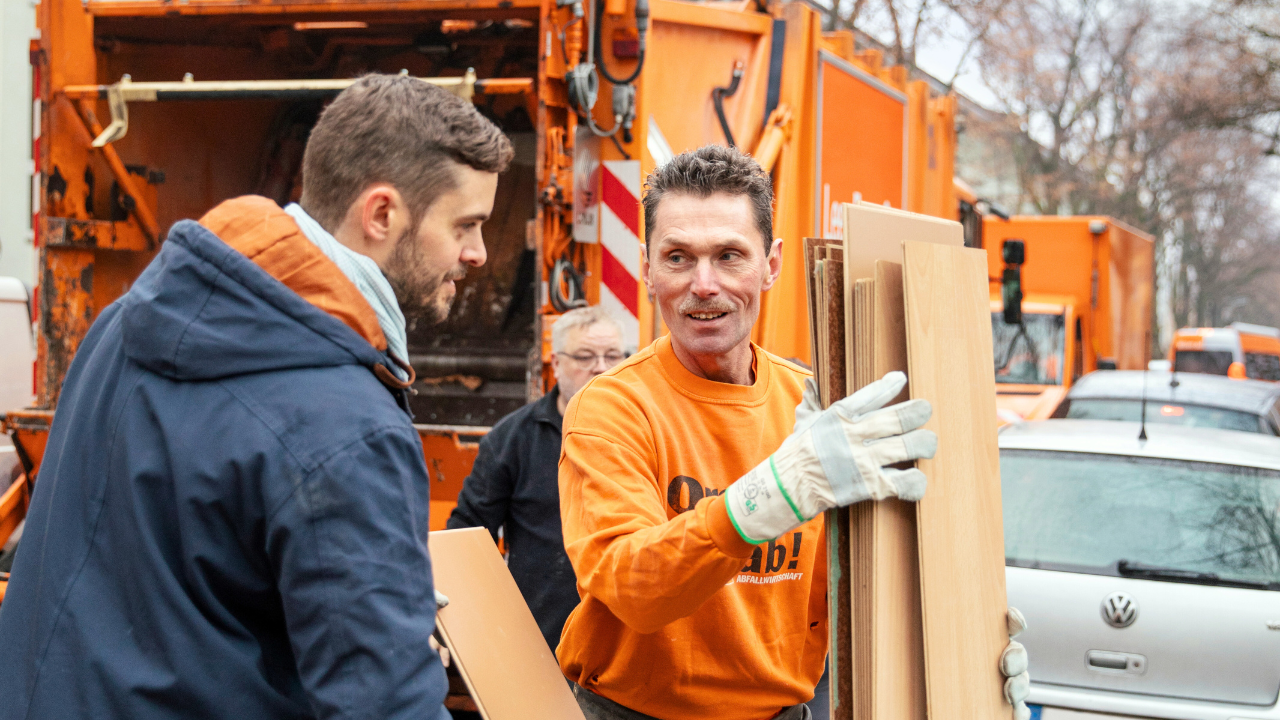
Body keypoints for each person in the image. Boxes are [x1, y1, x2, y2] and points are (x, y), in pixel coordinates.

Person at [0, 74, 512, 719]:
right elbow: (383, 705)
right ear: (382, 213)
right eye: (466, 224)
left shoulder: (123, 323)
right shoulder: (348, 427)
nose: (477, 254)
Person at [556, 145, 1031, 720]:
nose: (703, 284)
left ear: (772, 264)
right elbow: (634, 589)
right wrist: (770, 496)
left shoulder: (819, 408)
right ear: (649, 269)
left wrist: (969, 651)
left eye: (730, 256)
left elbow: (873, 580)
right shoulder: (610, 409)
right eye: (678, 257)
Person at [447, 305, 625, 652]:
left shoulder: (647, 433)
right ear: (555, 364)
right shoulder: (512, 439)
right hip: (542, 641)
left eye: (612, 356)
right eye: (585, 356)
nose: (601, 367)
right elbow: (467, 533)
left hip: (625, 642)